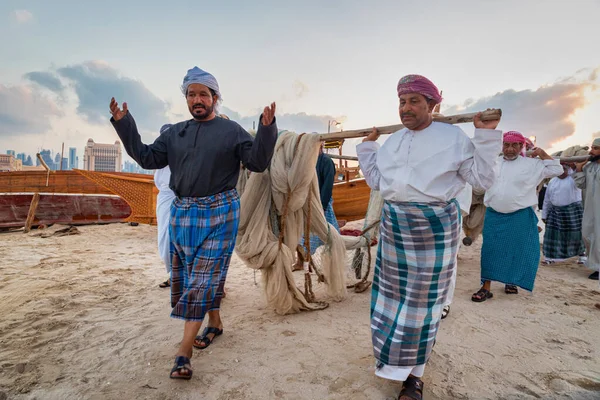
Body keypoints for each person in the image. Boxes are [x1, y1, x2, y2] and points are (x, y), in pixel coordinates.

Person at [109, 66, 278, 380]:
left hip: (221, 212)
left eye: (203, 94)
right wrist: (124, 124)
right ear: (185, 98)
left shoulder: (232, 131)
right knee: (193, 276)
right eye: (191, 94)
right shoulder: (175, 133)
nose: (197, 99)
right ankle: (214, 323)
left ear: (215, 97)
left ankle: (182, 353)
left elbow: (256, 162)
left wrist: (267, 131)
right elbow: (147, 158)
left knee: (201, 279)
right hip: (183, 212)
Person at [357, 74, 502, 400]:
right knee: (391, 298)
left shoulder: (453, 137)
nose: (405, 109)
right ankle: (392, 358)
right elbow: (379, 182)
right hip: (395, 226)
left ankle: (414, 377)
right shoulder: (393, 141)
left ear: (433, 105)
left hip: (435, 227)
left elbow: (482, 178)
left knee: (423, 303)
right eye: (401, 102)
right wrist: (368, 148)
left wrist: (486, 137)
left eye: (414, 102)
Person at [472, 131, 563, 302]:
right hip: (494, 215)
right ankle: (486, 287)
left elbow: (557, 170)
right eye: (506, 145)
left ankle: (510, 282)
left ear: (522, 146)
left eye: (515, 145)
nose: (510, 149)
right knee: (490, 250)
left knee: (517, 251)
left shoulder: (532, 164)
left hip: (519, 216)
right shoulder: (494, 163)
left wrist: (542, 154)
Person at [293, 143, 339, 270]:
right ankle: (300, 262)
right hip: (306, 202)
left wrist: (322, 207)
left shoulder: (327, 161)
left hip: (321, 203)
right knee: (302, 234)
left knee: (328, 234)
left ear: (320, 146)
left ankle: (332, 263)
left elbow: (328, 185)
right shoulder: (306, 162)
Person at [541, 164, 586, 265]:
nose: (561, 171)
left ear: (568, 169)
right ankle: (549, 257)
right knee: (552, 235)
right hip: (555, 213)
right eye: (559, 169)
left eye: (564, 169)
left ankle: (582, 255)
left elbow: (576, 168)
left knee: (576, 235)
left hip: (573, 211)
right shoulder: (552, 181)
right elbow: (547, 199)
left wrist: (570, 163)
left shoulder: (574, 178)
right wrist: (544, 214)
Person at [442, 183, 473, 319]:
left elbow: (463, 205)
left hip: (449, 216)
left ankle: (444, 302)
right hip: (419, 215)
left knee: (447, 261)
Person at [574, 137, 600, 280]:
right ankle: (595, 264)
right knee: (587, 234)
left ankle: (598, 268)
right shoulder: (589, 167)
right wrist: (579, 169)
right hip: (590, 208)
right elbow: (581, 185)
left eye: (595, 148)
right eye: (592, 148)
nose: (591, 151)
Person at [154, 124, 175, 288]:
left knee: (179, 239)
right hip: (165, 199)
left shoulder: (182, 154)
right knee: (164, 238)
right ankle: (173, 275)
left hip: (181, 198)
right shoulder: (159, 156)